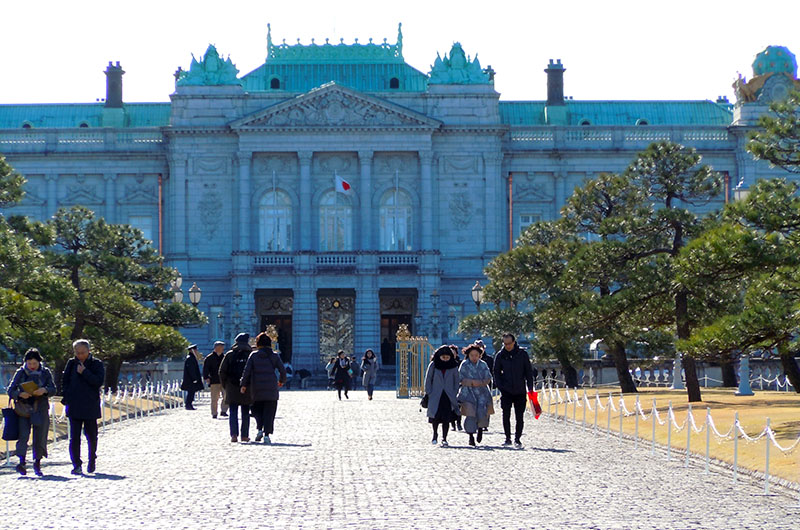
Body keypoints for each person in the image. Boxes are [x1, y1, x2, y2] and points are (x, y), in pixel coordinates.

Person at [7, 348, 56, 476]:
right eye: (29, 363)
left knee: (40, 436)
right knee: (23, 435)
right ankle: (22, 462)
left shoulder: (45, 372)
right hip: (24, 409)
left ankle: (37, 462)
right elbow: (10, 390)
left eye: (34, 363)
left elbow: (53, 389)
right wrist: (20, 394)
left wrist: (44, 390)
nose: (32, 366)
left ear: (39, 362)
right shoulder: (21, 372)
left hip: (40, 408)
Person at [62, 339, 105, 474]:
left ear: (88, 351)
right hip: (74, 405)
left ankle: (92, 459)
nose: (80, 355)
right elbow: (65, 381)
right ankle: (76, 464)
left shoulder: (96, 364)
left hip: (90, 405)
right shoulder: (71, 363)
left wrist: (85, 372)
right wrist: (67, 396)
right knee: (74, 438)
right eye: (77, 353)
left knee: (91, 436)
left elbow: (98, 381)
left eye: (83, 352)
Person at [240, 333, 287, 444]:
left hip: (256, 388)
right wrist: (281, 381)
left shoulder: (253, 355)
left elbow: (247, 371)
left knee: (257, 411)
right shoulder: (275, 356)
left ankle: (259, 429)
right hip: (271, 388)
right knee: (269, 413)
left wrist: (243, 384)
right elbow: (282, 370)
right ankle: (266, 435)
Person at [493, 333, 534, 448]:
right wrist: (500, 386)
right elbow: (496, 372)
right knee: (505, 414)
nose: (507, 346)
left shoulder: (522, 354)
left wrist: (530, 387)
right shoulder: (500, 355)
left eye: (509, 343)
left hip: (520, 389)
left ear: (514, 342)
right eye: (505, 344)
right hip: (506, 390)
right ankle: (507, 438)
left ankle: (517, 438)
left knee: (519, 416)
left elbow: (528, 372)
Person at [457, 344, 494, 447]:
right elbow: (460, 378)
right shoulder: (464, 365)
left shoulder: (483, 365)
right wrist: (471, 382)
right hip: (468, 392)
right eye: (472, 355)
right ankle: (470, 435)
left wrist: (481, 382)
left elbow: (488, 377)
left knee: (482, 412)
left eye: (476, 355)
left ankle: (481, 429)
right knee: (470, 414)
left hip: (482, 392)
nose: (474, 357)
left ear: (479, 355)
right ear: (468, 355)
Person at [219, 333, 253, 443]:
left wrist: (225, 385)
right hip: (246, 387)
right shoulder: (250, 354)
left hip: (232, 386)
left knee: (233, 411)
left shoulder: (229, 354)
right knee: (245, 412)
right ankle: (244, 435)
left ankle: (234, 434)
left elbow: (222, 371)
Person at [423, 345, 459, 447]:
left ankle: (444, 437)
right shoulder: (433, 365)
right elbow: (428, 379)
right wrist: (429, 392)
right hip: (435, 395)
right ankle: (435, 434)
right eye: (443, 357)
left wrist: (454, 392)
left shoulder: (453, 366)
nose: (445, 359)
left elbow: (456, 380)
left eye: (447, 357)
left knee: (446, 418)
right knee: (435, 417)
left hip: (448, 396)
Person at [203, 341, 228, 418]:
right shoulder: (209, 358)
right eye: (221, 347)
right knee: (214, 398)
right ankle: (214, 413)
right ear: (216, 348)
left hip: (224, 380)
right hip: (214, 380)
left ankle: (224, 410)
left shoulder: (225, 357)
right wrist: (206, 377)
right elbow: (205, 368)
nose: (222, 348)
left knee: (226, 396)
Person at [181, 344, 204, 410]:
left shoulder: (192, 358)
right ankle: (188, 404)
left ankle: (189, 404)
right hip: (190, 380)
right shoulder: (190, 358)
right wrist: (194, 378)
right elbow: (191, 369)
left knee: (192, 392)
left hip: (191, 379)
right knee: (190, 392)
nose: (196, 351)